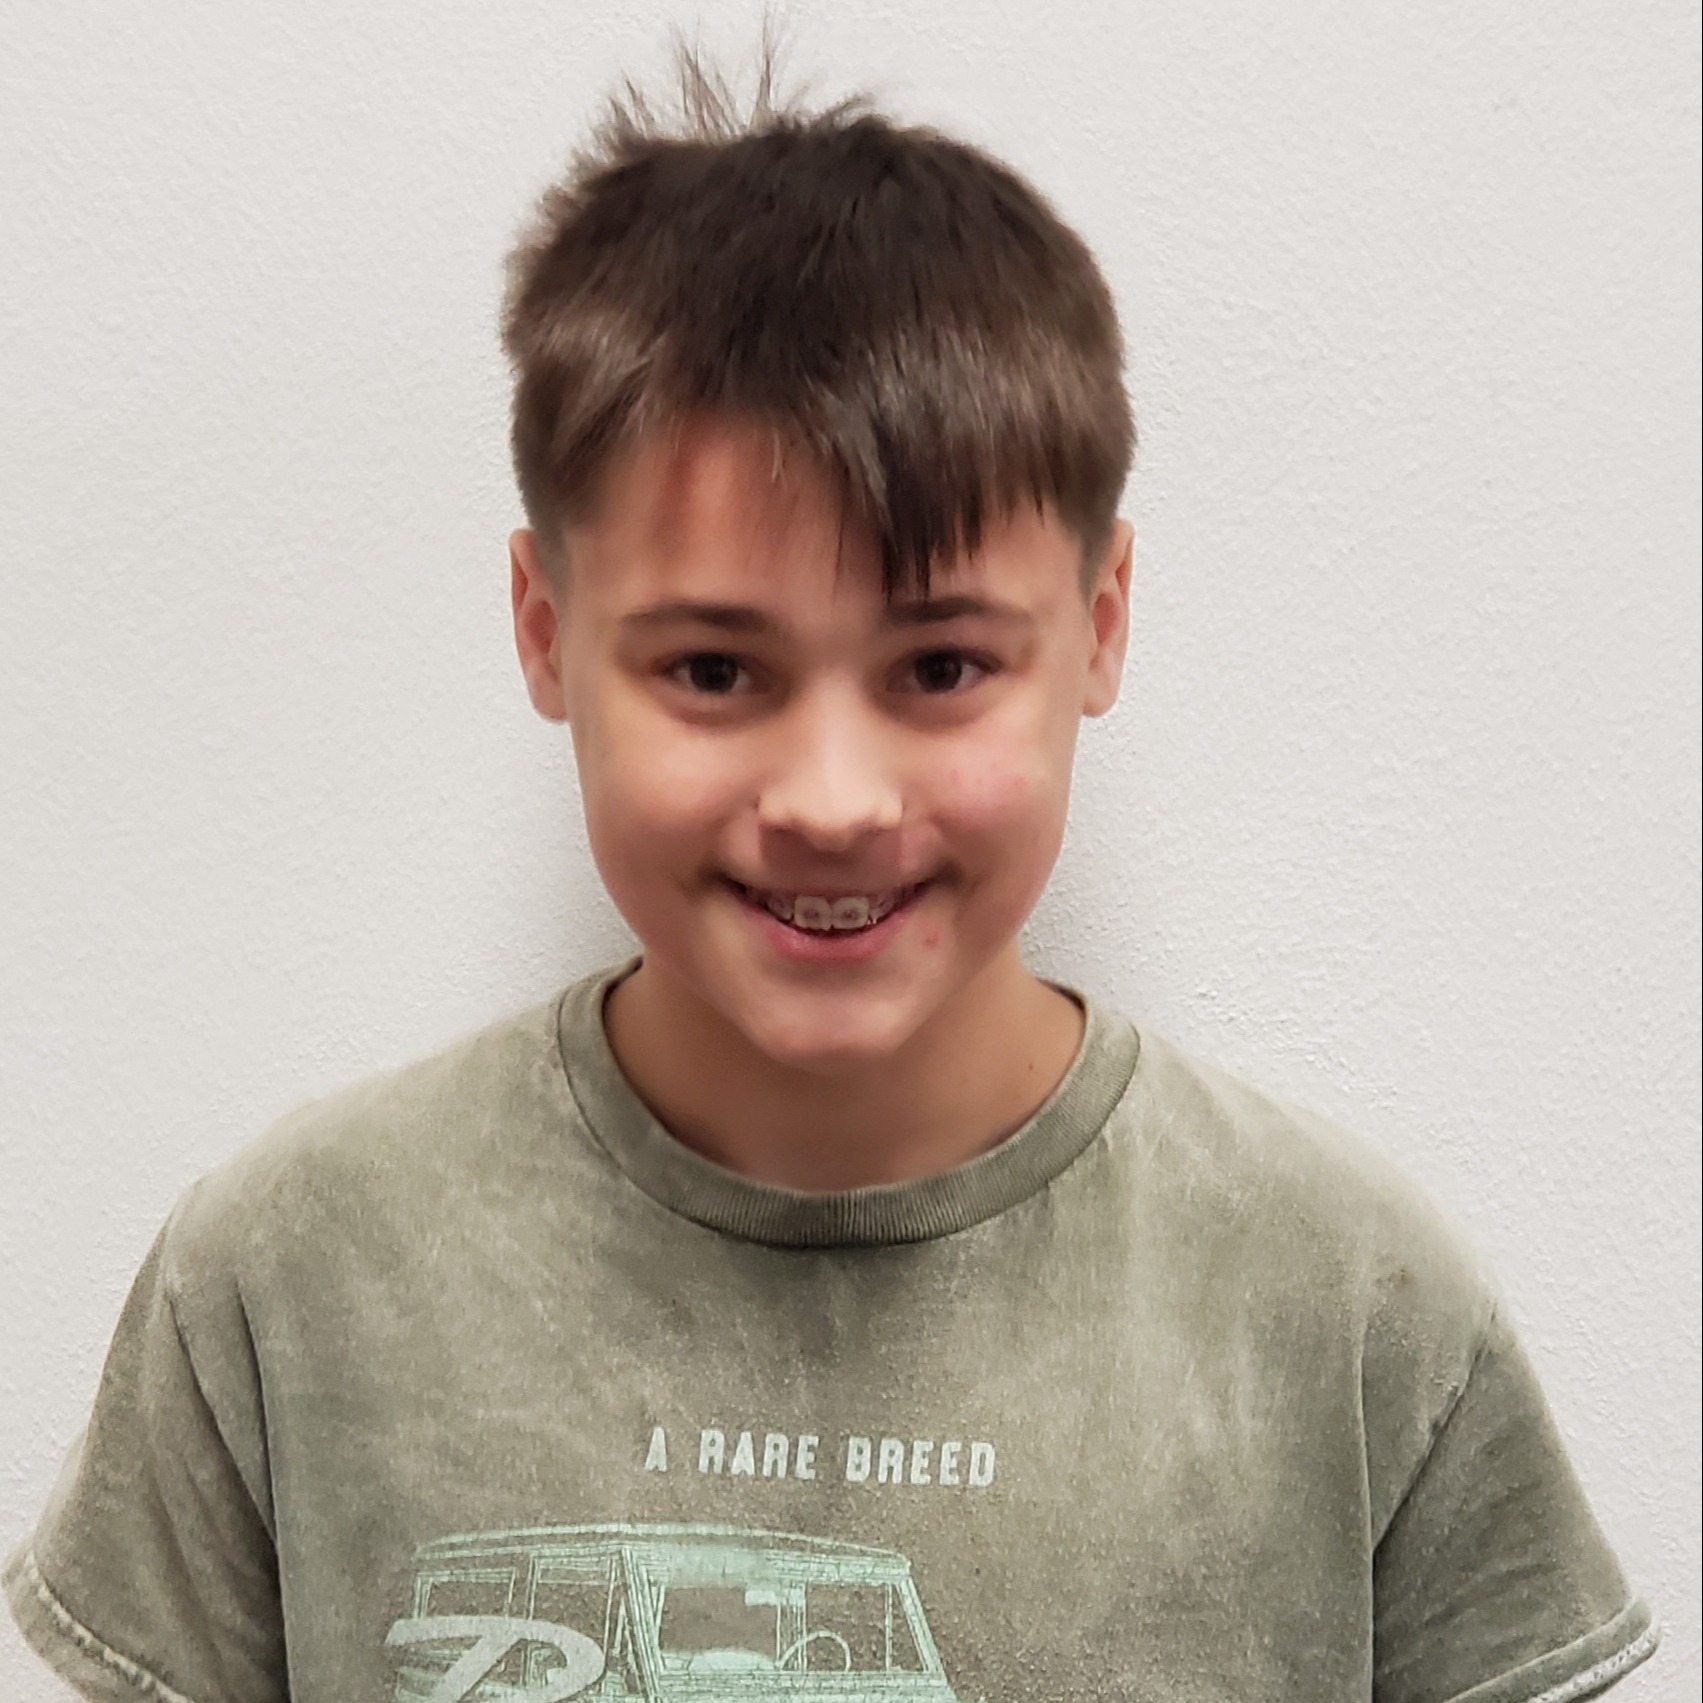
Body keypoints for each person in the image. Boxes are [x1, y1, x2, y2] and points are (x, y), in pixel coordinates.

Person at [4, 43, 1661, 1703]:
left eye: (939, 669)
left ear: (1099, 627)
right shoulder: (289, 1278)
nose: (833, 800)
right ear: (544, 633)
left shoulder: (1353, 1312)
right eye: (716, 673)